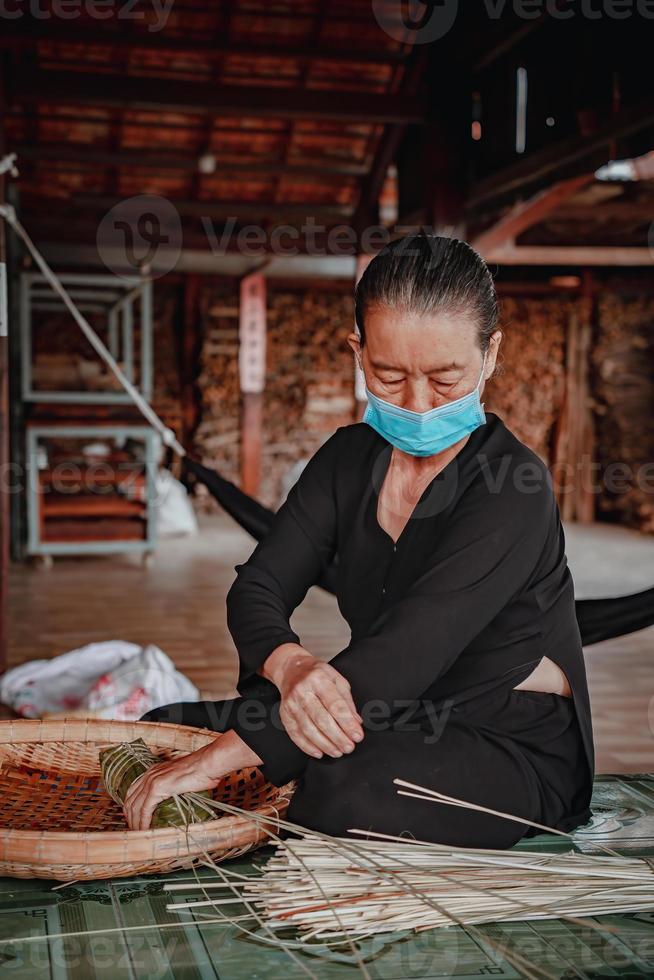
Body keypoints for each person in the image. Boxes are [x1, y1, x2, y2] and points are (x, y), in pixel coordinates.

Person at [126, 235, 595, 848]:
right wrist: (291, 666)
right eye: (390, 376)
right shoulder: (347, 461)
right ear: (358, 352)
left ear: (491, 355)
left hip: (505, 740)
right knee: (164, 730)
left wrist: (219, 762)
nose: (419, 404)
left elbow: (408, 654)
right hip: (380, 710)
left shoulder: (513, 487)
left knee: (342, 787)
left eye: (446, 379)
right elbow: (258, 588)